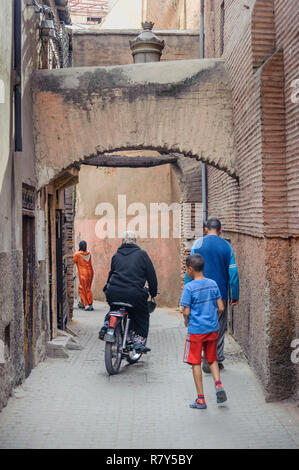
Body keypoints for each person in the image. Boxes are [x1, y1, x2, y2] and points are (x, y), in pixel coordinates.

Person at [185, 218, 239, 372]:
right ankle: (215, 358)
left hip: (197, 295)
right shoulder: (226, 246)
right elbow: (233, 273)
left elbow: (189, 270)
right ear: (220, 230)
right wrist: (234, 294)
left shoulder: (197, 245)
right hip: (219, 293)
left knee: (200, 323)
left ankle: (202, 356)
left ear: (205, 229)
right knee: (219, 326)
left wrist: (187, 292)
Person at [181, 254, 227, 409]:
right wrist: (213, 318)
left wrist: (186, 321)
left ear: (190, 269)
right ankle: (218, 385)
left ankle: (201, 399)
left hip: (196, 331)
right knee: (212, 359)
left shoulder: (189, 287)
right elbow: (221, 307)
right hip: (212, 329)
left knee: (196, 362)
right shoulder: (213, 284)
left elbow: (186, 311)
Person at [99, 231, 158, 353]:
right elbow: (151, 276)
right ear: (135, 242)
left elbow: (111, 275)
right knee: (142, 315)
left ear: (122, 242)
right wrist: (153, 292)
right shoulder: (142, 255)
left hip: (113, 292)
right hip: (134, 293)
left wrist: (107, 289)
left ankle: (106, 324)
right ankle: (138, 341)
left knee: (113, 309)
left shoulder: (116, 256)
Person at [73, 240, 94, 311]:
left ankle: (88, 304)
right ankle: (85, 302)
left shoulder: (77, 254)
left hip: (83, 273)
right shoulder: (89, 254)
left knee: (84, 288)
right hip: (90, 272)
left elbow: (72, 262)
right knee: (86, 288)